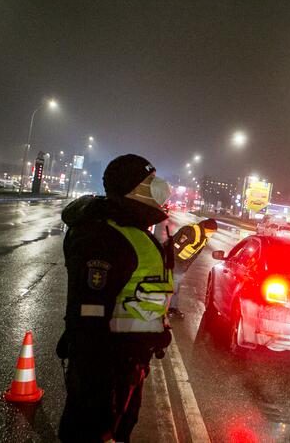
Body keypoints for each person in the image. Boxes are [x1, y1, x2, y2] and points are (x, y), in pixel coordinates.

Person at [57, 154, 174, 442]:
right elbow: (89, 317)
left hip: (130, 363)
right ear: (133, 188)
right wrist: (96, 395)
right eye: (151, 181)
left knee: (120, 432)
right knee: (90, 433)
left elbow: (141, 285)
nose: (160, 187)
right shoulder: (104, 236)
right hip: (105, 369)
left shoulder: (131, 231)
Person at [167, 218, 218, 318]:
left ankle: (171, 307)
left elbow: (195, 253)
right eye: (211, 232)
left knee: (175, 285)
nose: (212, 234)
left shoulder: (204, 238)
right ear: (207, 228)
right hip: (174, 259)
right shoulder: (191, 231)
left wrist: (186, 265)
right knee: (174, 285)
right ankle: (170, 308)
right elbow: (174, 245)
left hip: (182, 263)